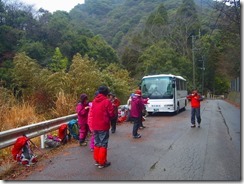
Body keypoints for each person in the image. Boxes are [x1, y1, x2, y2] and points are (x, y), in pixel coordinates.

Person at [89, 85, 115, 169]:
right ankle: (102, 162)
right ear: (106, 93)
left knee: (97, 142)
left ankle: (97, 160)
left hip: (94, 125)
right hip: (103, 125)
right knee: (103, 143)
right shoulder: (107, 101)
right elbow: (111, 114)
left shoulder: (94, 101)